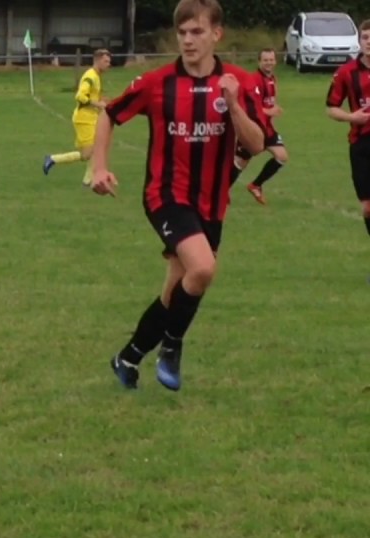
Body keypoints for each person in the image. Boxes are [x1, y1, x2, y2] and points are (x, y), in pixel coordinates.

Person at [92, 0, 264, 392]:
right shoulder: (157, 83)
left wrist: (234, 104)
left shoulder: (239, 82)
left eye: (197, 32)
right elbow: (109, 114)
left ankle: (129, 357)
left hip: (212, 202)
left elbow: (256, 144)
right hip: (165, 195)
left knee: (177, 288)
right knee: (202, 268)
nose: (188, 40)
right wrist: (98, 167)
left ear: (216, 35)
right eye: (183, 33)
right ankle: (172, 346)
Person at [326, 21, 370, 241]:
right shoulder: (346, 72)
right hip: (361, 145)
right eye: (365, 37)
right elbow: (331, 108)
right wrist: (352, 117)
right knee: (368, 208)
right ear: (359, 41)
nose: (369, 42)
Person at [43, 48, 112, 186]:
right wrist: (98, 104)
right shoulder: (90, 76)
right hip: (84, 119)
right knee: (88, 153)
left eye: (109, 61)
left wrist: (102, 100)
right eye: (105, 61)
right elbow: (80, 96)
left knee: (95, 149)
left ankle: (87, 181)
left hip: (91, 118)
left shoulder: (96, 76)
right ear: (97, 60)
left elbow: (92, 96)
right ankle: (53, 159)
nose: (108, 64)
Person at [231, 48, 287, 204]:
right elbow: (250, 108)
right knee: (240, 163)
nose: (269, 63)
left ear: (275, 61)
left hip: (267, 128)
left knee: (282, 156)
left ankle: (256, 185)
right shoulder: (253, 80)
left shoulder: (272, 79)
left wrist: (272, 113)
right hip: (253, 129)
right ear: (259, 62)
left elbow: (270, 102)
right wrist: (270, 111)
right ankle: (220, 193)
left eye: (271, 60)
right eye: (265, 60)